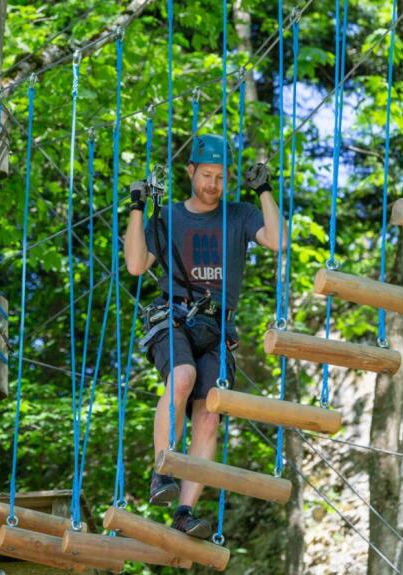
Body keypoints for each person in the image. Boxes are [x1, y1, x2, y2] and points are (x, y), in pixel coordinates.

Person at [124, 133, 283, 538]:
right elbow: (137, 265)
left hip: (217, 326)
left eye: (221, 177)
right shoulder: (171, 217)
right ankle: (163, 471)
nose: (213, 184)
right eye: (206, 174)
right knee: (182, 378)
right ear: (190, 171)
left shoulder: (240, 214)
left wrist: (264, 189)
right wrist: (138, 209)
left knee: (209, 415)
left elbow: (278, 241)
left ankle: (183, 512)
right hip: (174, 315)